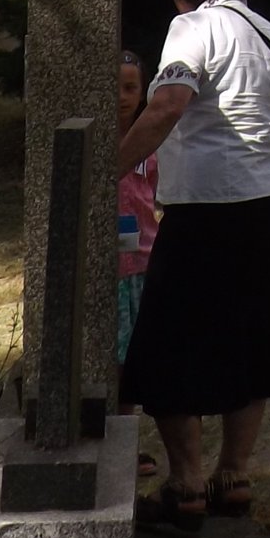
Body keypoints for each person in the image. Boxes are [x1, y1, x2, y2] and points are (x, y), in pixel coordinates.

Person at [116, 0, 270, 535]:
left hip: (206, 205)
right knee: (252, 333)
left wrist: (107, 169)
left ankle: (186, 484)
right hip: (269, 201)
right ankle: (235, 474)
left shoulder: (193, 28)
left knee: (169, 338)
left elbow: (168, 104)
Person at [115, 50, 161, 475]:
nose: (123, 97)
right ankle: (115, 439)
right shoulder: (100, 142)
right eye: (116, 87)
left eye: (131, 88)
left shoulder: (149, 144)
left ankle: (127, 438)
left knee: (135, 358)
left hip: (144, 261)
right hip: (110, 272)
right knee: (113, 359)